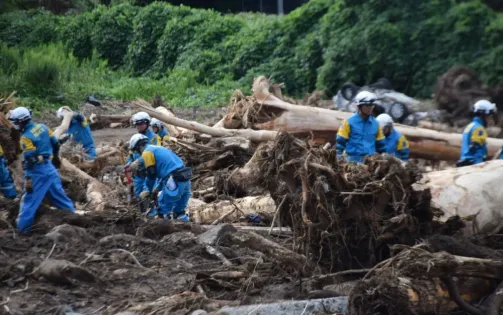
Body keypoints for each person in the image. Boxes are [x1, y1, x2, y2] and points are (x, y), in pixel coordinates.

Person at [8, 107, 75, 232]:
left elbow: (30, 159)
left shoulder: (26, 137)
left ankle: (23, 230)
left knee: (29, 202)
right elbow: (55, 143)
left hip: (38, 172)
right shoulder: (43, 127)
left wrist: (28, 177)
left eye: (15, 121)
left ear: (20, 122)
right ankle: (75, 220)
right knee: (61, 198)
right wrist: (55, 157)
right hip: (50, 168)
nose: (14, 124)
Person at [129, 134, 192, 221]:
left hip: (174, 180)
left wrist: (148, 190)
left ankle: (164, 231)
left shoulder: (147, 153)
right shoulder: (158, 149)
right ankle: (187, 230)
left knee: (164, 208)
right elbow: (166, 174)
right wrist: (157, 189)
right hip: (184, 178)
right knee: (179, 210)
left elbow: (152, 175)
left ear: (138, 147)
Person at [336, 91, 386, 162]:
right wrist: (339, 159)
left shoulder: (377, 124)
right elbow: (340, 144)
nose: (370, 108)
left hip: (370, 163)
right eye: (367, 105)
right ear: (359, 106)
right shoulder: (348, 122)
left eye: (372, 105)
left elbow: (381, 147)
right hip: (352, 163)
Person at [125, 112, 162, 211]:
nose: (138, 126)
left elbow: (153, 154)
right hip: (138, 175)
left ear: (147, 123)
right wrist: (129, 162)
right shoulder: (135, 138)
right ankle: (142, 217)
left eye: (141, 124)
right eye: (137, 124)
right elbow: (131, 154)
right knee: (139, 198)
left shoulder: (155, 138)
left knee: (151, 196)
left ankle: (154, 216)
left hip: (150, 173)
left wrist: (137, 162)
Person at [458, 100, 497, 167]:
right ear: (483, 115)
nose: (490, 119)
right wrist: (480, 166)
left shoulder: (470, 126)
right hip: (473, 165)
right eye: (489, 116)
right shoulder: (479, 129)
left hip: (465, 163)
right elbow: (477, 150)